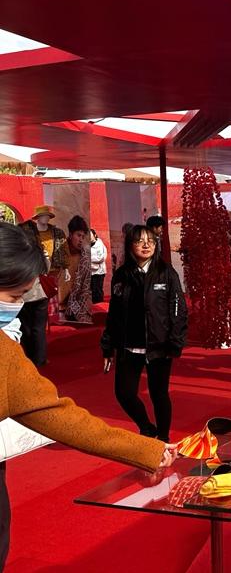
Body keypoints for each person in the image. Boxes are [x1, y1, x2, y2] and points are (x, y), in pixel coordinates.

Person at [0, 222, 175, 568]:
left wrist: (144, 448)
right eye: (15, 296)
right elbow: (55, 414)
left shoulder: (6, 350)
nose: (17, 306)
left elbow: (56, 413)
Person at [100, 225, 187, 441]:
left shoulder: (166, 272)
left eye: (151, 240)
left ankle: (164, 439)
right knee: (124, 393)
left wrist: (175, 340)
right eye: (140, 241)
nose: (146, 245)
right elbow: (114, 313)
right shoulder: (122, 275)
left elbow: (178, 309)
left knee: (159, 394)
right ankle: (147, 427)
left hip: (159, 346)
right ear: (130, 245)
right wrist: (108, 346)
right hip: (129, 345)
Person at [17, 205, 68, 365]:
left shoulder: (17, 253)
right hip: (38, 289)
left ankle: (32, 358)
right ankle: (38, 358)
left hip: (26, 290)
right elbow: (45, 267)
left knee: (28, 326)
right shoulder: (37, 249)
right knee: (36, 326)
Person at [60, 215, 92, 323]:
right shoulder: (59, 254)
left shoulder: (85, 259)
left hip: (76, 307)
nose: (81, 240)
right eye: (78, 235)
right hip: (58, 307)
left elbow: (85, 290)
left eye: (83, 237)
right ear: (70, 234)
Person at [89, 229, 107, 303]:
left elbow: (101, 258)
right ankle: (94, 306)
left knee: (98, 290)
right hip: (91, 271)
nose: (89, 237)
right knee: (92, 290)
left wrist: (89, 258)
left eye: (90, 235)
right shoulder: (87, 245)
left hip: (99, 272)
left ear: (95, 235)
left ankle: (99, 305)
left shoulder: (99, 244)